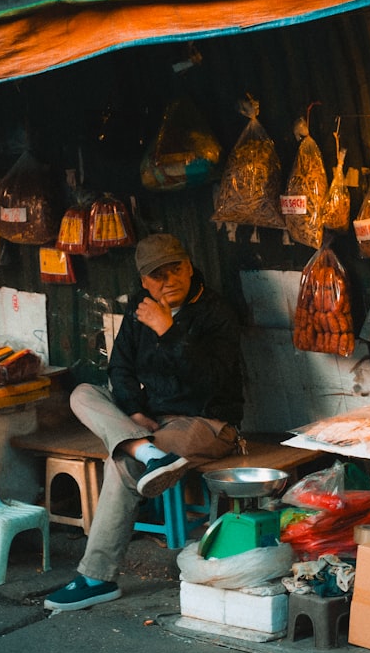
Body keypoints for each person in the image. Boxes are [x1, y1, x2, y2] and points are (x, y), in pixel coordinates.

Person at [44, 233, 245, 611]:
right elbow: (120, 365)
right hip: (151, 423)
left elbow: (210, 381)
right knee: (83, 393)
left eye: (176, 269)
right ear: (144, 282)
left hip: (208, 423)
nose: (170, 280)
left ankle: (96, 577)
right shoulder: (141, 306)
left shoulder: (216, 311)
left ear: (189, 267)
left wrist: (168, 330)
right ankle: (145, 449)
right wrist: (134, 410)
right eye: (158, 275)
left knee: (120, 463)